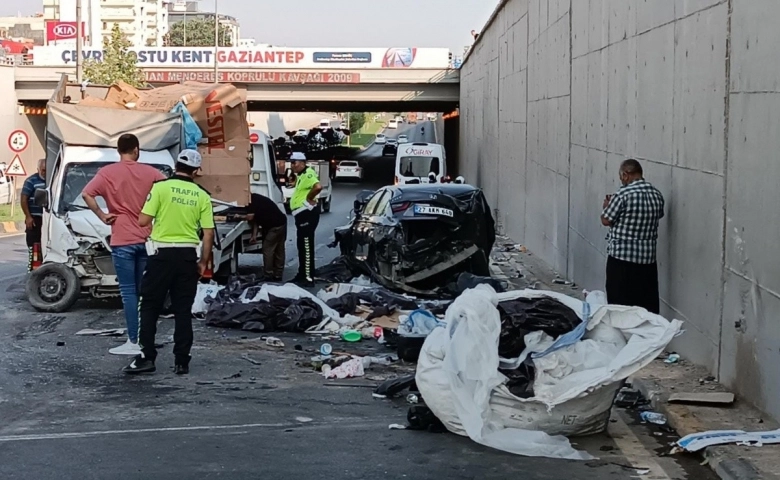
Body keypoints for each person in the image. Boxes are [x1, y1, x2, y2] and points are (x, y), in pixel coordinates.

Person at [123, 149, 215, 375]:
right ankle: (182, 361)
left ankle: (147, 357)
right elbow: (209, 233)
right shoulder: (202, 195)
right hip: (187, 257)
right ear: (196, 171)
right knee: (183, 310)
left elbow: (144, 220)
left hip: (161, 256)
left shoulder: (160, 188)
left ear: (176, 165)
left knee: (150, 306)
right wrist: (203, 262)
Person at [82, 134, 166, 355]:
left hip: (122, 240)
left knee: (129, 293)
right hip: (147, 239)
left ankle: (133, 340)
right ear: (136, 150)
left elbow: (87, 194)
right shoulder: (151, 173)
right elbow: (167, 193)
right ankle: (146, 338)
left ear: (119, 150)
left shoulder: (107, 173)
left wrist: (102, 215)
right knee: (145, 292)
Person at [601, 159, 665, 314]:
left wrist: (606, 206)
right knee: (646, 307)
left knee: (619, 306)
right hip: (647, 260)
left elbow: (606, 220)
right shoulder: (657, 194)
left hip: (621, 260)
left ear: (625, 175)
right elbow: (659, 215)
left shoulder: (622, 194)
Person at [288, 152, 322, 287]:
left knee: (306, 246)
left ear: (302, 162)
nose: (292, 165)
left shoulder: (308, 173)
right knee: (301, 245)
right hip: (301, 215)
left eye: (294, 162)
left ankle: (308, 278)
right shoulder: (301, 175)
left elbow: (318, 186)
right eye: (291, 162)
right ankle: (302, 274)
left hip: (307, 214)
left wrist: (309, 198)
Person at [247, 192, 287, 281]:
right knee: (279, 250)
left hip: (275, 226)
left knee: (267, 249)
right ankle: (278, 274)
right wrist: (254, 236)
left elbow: (250, 217)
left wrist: (238, 216)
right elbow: (256, 221)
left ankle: (268, 274)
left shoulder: (253, 201)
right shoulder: (256, 199)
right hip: (281, 223)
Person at [20, 158, 46, 272]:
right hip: (35, 218)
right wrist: (28, 216)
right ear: (38, 169)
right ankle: (32, 271)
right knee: (34, 246)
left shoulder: (53, 180)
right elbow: (23, 199)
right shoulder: (31, 181)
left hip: (49, 218)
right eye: (43, 170)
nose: (45, 172)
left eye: (47, 170)